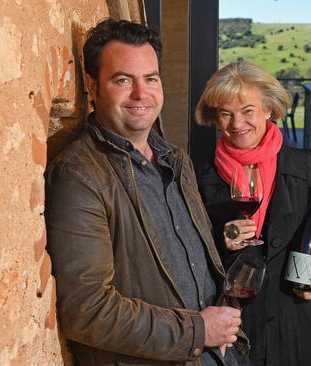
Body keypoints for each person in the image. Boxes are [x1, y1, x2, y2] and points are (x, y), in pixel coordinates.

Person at [45, 19, 246, 366]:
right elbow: (87, 311)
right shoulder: (80, 176)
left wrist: (226, 307)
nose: (142, 94)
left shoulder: (175, 159)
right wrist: (198, 330)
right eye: (123, 80)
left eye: (150, 78)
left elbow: (194, 258)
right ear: (92, 86)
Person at [195, 61, 311, 366]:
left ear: (269, 109)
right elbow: (191, 248)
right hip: (236, 323)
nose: (237, 124)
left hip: (295, 316)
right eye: (226, 113)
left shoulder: (308, 166)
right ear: (215, 119)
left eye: (248, 110)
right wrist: (220, 240)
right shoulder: (201, 176)